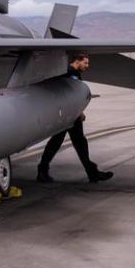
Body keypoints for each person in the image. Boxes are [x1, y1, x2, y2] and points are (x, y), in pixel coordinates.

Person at [36, 52, 114, 183]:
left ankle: (92, 173)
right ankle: (42, 171)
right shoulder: (67, 73)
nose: (87, 65)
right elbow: (62, 93)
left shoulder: (75, 73)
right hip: (66, 116)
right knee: (58, 143)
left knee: (79, 143)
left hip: (72, 115)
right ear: (77, 61)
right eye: (86, 62)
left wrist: (79, 112)